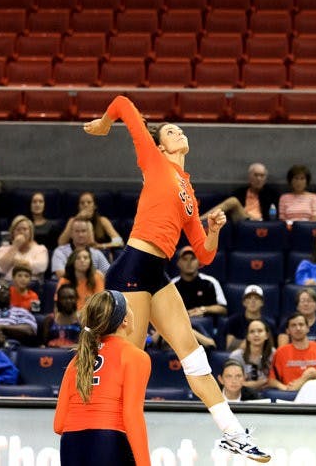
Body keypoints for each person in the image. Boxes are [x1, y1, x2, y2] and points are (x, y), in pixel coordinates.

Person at [83, 96, 270, 462]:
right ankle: (108, 435)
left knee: (194, 356)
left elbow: (204, 254)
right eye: (170, 131)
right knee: (131, 364)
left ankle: (233, 433)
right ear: (160, 145)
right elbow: (123, 104)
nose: (179, 131)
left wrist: (213, 230)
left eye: (179, 129)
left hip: (155, 272)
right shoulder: (153, 161)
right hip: (132, 269)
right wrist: (104, 124)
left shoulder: (188, 191)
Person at [54, 290, 151, 466]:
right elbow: (132, 415)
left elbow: (59, 424)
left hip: (71, 445)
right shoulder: (135, 356)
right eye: (129, 307)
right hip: (109, 441)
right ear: (124, 320)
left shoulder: (77, 360)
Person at [170, 245, 228, 339]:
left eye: (193, 259)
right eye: (185, 259)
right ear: (178, 263)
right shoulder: (172, 285)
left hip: (206, 329)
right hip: (180, 328)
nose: (189, 263)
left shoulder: (210, 282)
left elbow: (223, 309)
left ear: (199, 262)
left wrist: (203, 309)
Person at [267, 313, 316, 392]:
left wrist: (311, 376)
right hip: (290, 394)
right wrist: (284, 388)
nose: (298, 328)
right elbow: (271, 380)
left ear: (308, 328)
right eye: (293, 325)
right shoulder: (280, 352)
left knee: (312, 372)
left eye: (301, 324)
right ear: (287, 331)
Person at [204, 162, 281, 222]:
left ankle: (200, 221)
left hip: (262, 223)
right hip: (243, 221)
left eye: (262, 176)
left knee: (233, 201)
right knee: (233, 201)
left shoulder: (272, 194)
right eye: (256, 175)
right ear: (250, 177)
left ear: (265, 178)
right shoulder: (240, 193)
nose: (259, 179)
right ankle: (202, 221)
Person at [57, 191, 124, 251]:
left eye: (89, 202)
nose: (85, 205)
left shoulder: (102, 220)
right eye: (82, 203)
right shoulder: (73, 220)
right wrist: (76, 219)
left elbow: (119, 242)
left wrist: (101, 246)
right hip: (78, 255)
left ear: (94, 206)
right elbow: (61, 243)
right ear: (78, 206)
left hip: (99, 253)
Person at [0, 215, 49, 282]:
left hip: (32, 284)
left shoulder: (40, 249)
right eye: (18, 229)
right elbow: (0, 269)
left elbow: (40, 268)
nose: (21, 232)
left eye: (25, 229)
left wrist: (15, 262)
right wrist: (15, 246)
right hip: (8, 283)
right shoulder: (3, 249)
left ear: (30, 232)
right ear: (12, 233)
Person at [224, 285, 276, 352]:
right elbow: (230, 348)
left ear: (262, 303)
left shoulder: (269, 324)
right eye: (249, 298)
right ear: (244, 302)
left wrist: (243, 343)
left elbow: (271, 348)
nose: (253, 301)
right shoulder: (233, 321)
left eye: (256, 298)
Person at [228, 319, 275, 392]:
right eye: (252, 331)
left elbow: (277, 381)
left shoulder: (274, 354)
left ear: (267, 335)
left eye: (260, 331)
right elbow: (233, 383)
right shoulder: (236, 356)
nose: (256, 335)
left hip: (269, 394)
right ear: (247, 337)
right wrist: (260, 383)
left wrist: (248, 384)